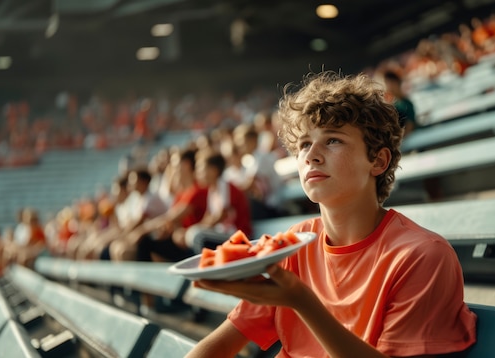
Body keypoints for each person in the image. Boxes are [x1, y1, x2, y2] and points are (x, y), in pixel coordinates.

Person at [187, 71, 477, 357]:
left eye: (333, 140)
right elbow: (221, 345)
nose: (311, 154)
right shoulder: (292, 246)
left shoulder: (422, 256)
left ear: (378, 160)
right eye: (303, 144)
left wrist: (303, 302)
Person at [383, 70, 418, 138]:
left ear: (397, 83)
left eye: (391, 83)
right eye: (387, 83)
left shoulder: (407, 104)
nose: (389, 86)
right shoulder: (389, 105)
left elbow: (409, 126)